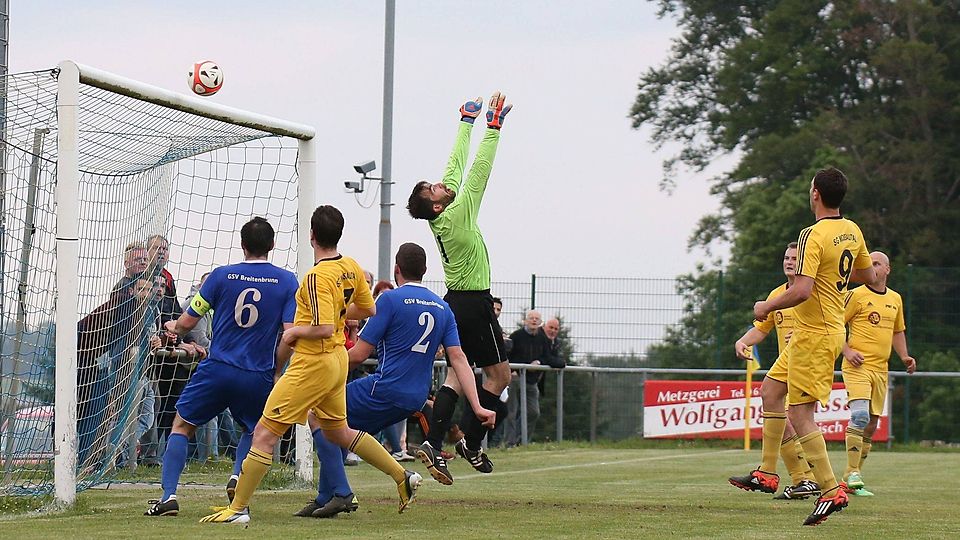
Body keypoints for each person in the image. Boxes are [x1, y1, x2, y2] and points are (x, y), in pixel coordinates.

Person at [200, 205, 421, 524]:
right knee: (339, 431)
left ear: (312, 235)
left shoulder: (317, 276)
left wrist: (293, 334)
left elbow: (321, 328)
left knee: (264, 432)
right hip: (337, 360)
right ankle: (403, 477)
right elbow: (367, 308)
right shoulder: (351, 266)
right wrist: (339, 317)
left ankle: (238, 510)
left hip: (314, 362)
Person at [296, 243, 495, 518]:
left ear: (396, 270)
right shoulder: (443, 308)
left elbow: (359, 355)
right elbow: (459, 358)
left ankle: (341, 493)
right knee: (340, 426)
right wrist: (477, 406)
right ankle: (325, 496)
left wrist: (320, 363)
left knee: (317, 413)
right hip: (414, 398)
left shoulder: (389, 300)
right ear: (425, 271)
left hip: (385, 388)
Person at [745, 167, 875, 526]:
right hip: (815, 332)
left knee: (800, 414)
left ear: (815, 193)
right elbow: (868, 275)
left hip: (816, 334)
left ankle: (831, 491)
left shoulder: (811, 235)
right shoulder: (852, 230)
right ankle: (767, 472)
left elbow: (801, 290)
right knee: (770, 391)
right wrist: (836, 277)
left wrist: (765, 307)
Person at [144, 217, 299, 516]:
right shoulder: (286, 281)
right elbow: (289, 334)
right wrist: (276, 367)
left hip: (218, 368)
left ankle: (169, 497)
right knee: (253, 429)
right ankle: (237, 478)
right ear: (272, 245)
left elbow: (188, 322)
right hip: (257, 373)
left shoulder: (220, 276)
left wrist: (172, 325)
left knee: (182, 425)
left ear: (242, 245)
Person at [407, 92, 513, 483]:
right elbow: (479, 173)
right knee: (498, 377)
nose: (439, 184)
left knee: (456, 375)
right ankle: (471, 440)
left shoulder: (443, 207)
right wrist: (494, 128)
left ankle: (433, 441)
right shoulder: (457, 212)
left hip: (457, 301)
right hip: (472, 303)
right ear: (437, 206)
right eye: (432, 189)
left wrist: (466, 122)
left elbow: (454, 167)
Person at [729, 243, 818, 500]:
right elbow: (761, 327)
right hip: (787, 367)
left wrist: (803, 335)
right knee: (781, 420)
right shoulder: (778, 295)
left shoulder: (810, 293)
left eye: (795, 258)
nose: (789, 261)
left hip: (808, 364)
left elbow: (829, 324)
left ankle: (811, 480)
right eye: (786, 257)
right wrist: (743, 341)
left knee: (793, 419)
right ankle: (802, 480)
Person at [840, 251, 916, 496]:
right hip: (857, 367)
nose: (871, 268)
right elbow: (833, 325)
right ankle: (853, 473)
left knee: (871, 424)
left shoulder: (895, 298)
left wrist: (904, 356)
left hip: (881, 370)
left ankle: (851, 477)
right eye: (868, 264)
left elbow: (897, 331)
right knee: (860, 416)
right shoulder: (856, 295)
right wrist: (847, 351)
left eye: (876, 264)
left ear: (887, 269)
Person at [505, 310, 564, 445]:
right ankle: (508, 442)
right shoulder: (516, 336)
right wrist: (511, 370)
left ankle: (522, 441)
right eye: (531, 318)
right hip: (515, 378)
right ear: (526, 320)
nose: (534, 321)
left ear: (540, 322)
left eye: (537, 319)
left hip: (531, 381)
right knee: (511, 412)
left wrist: (540, 362)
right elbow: (507, 355)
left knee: (533, 412)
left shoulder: (542, 339)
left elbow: (547, 356)